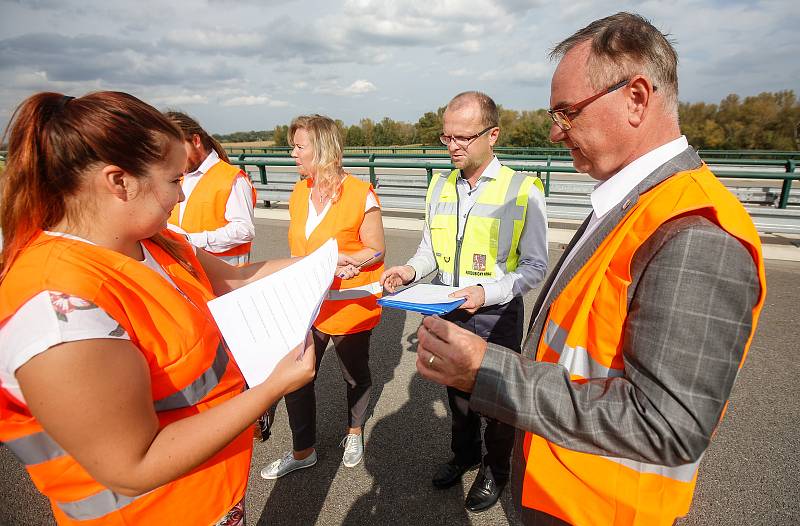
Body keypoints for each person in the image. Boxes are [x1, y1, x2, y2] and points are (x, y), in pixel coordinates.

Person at [415, 13, 766, 526]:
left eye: (567, 112)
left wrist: (490, 369)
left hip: (602, 509)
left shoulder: (695, 234)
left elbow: (668, 425)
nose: (557, 133)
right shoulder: (632, 203)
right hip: (565, 488)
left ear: (637, 98)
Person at [0, 91, 319, 525]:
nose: (183, 195)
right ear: (119, 182)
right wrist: (272, 387)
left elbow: (237, 278)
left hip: (213, 500)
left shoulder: (154, 241)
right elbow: (132, 469)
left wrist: (324, 262)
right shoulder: (57, 311)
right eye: (174, 180)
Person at [381, 91, 548, 512]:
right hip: (447, 309)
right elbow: (429, 251)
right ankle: (465, 455)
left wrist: (484, 293)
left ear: (492, 135)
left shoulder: (523, 189)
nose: (453, 146)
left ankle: (495, 471)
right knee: (456, 394)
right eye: (446, 137)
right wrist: (408, 272)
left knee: (496, 400)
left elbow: (534, 267)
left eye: (463, 137)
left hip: (496, 313)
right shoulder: (439, 184)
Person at [260, 114, 385, 479]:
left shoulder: (362, 194)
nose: (292, 153)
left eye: (299, 146)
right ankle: (303, 451)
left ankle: (354, 432)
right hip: (305, 306)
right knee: (297, 378)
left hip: (348, 304)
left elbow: (375, 250)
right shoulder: (299, 192)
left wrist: (352, 263)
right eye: (293, 145)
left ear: (323, 149)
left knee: (354, 375)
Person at [165, 111, 257, 265]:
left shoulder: (232, 178)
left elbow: (244, 230)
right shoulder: (177, 177)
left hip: (227, 275)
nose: (173, 157)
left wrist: (190, 241)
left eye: (177, 149)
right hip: (186, 268)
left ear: (196, 140)